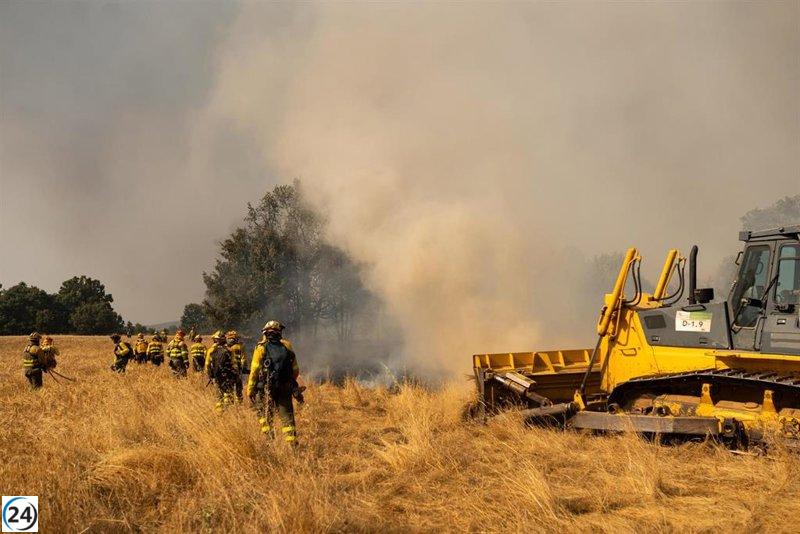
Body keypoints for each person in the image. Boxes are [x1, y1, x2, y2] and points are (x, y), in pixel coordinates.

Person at [246, 320, 303, 445]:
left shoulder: (260, 348)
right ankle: (292, 445)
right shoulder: (287, 346)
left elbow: (254, 371)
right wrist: (288, 382)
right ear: (280, 332)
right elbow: (296, 370)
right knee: (287, 418)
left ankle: (269, 440)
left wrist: (250, 389)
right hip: (285, 388)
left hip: (266, 388)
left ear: (265, 333)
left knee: (265, 414)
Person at [205, 330, 237, 412]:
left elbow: (207, 364)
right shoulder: (230, 350)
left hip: (216, 375)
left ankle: (219, 411)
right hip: (228, 375)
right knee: (228, 391)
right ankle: (228, 409)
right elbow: (234, 364)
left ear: (215, 340)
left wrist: (210, 375)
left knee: (219, 393)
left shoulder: (211, 350)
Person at [226, 331, 247, 401]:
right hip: (238, 370)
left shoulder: (226, 348)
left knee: (230, 386)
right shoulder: (240, 347)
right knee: (238, 386)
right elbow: (243, 359)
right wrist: (243, 368)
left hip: (229, 370)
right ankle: (239, 402)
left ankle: (230, 401)